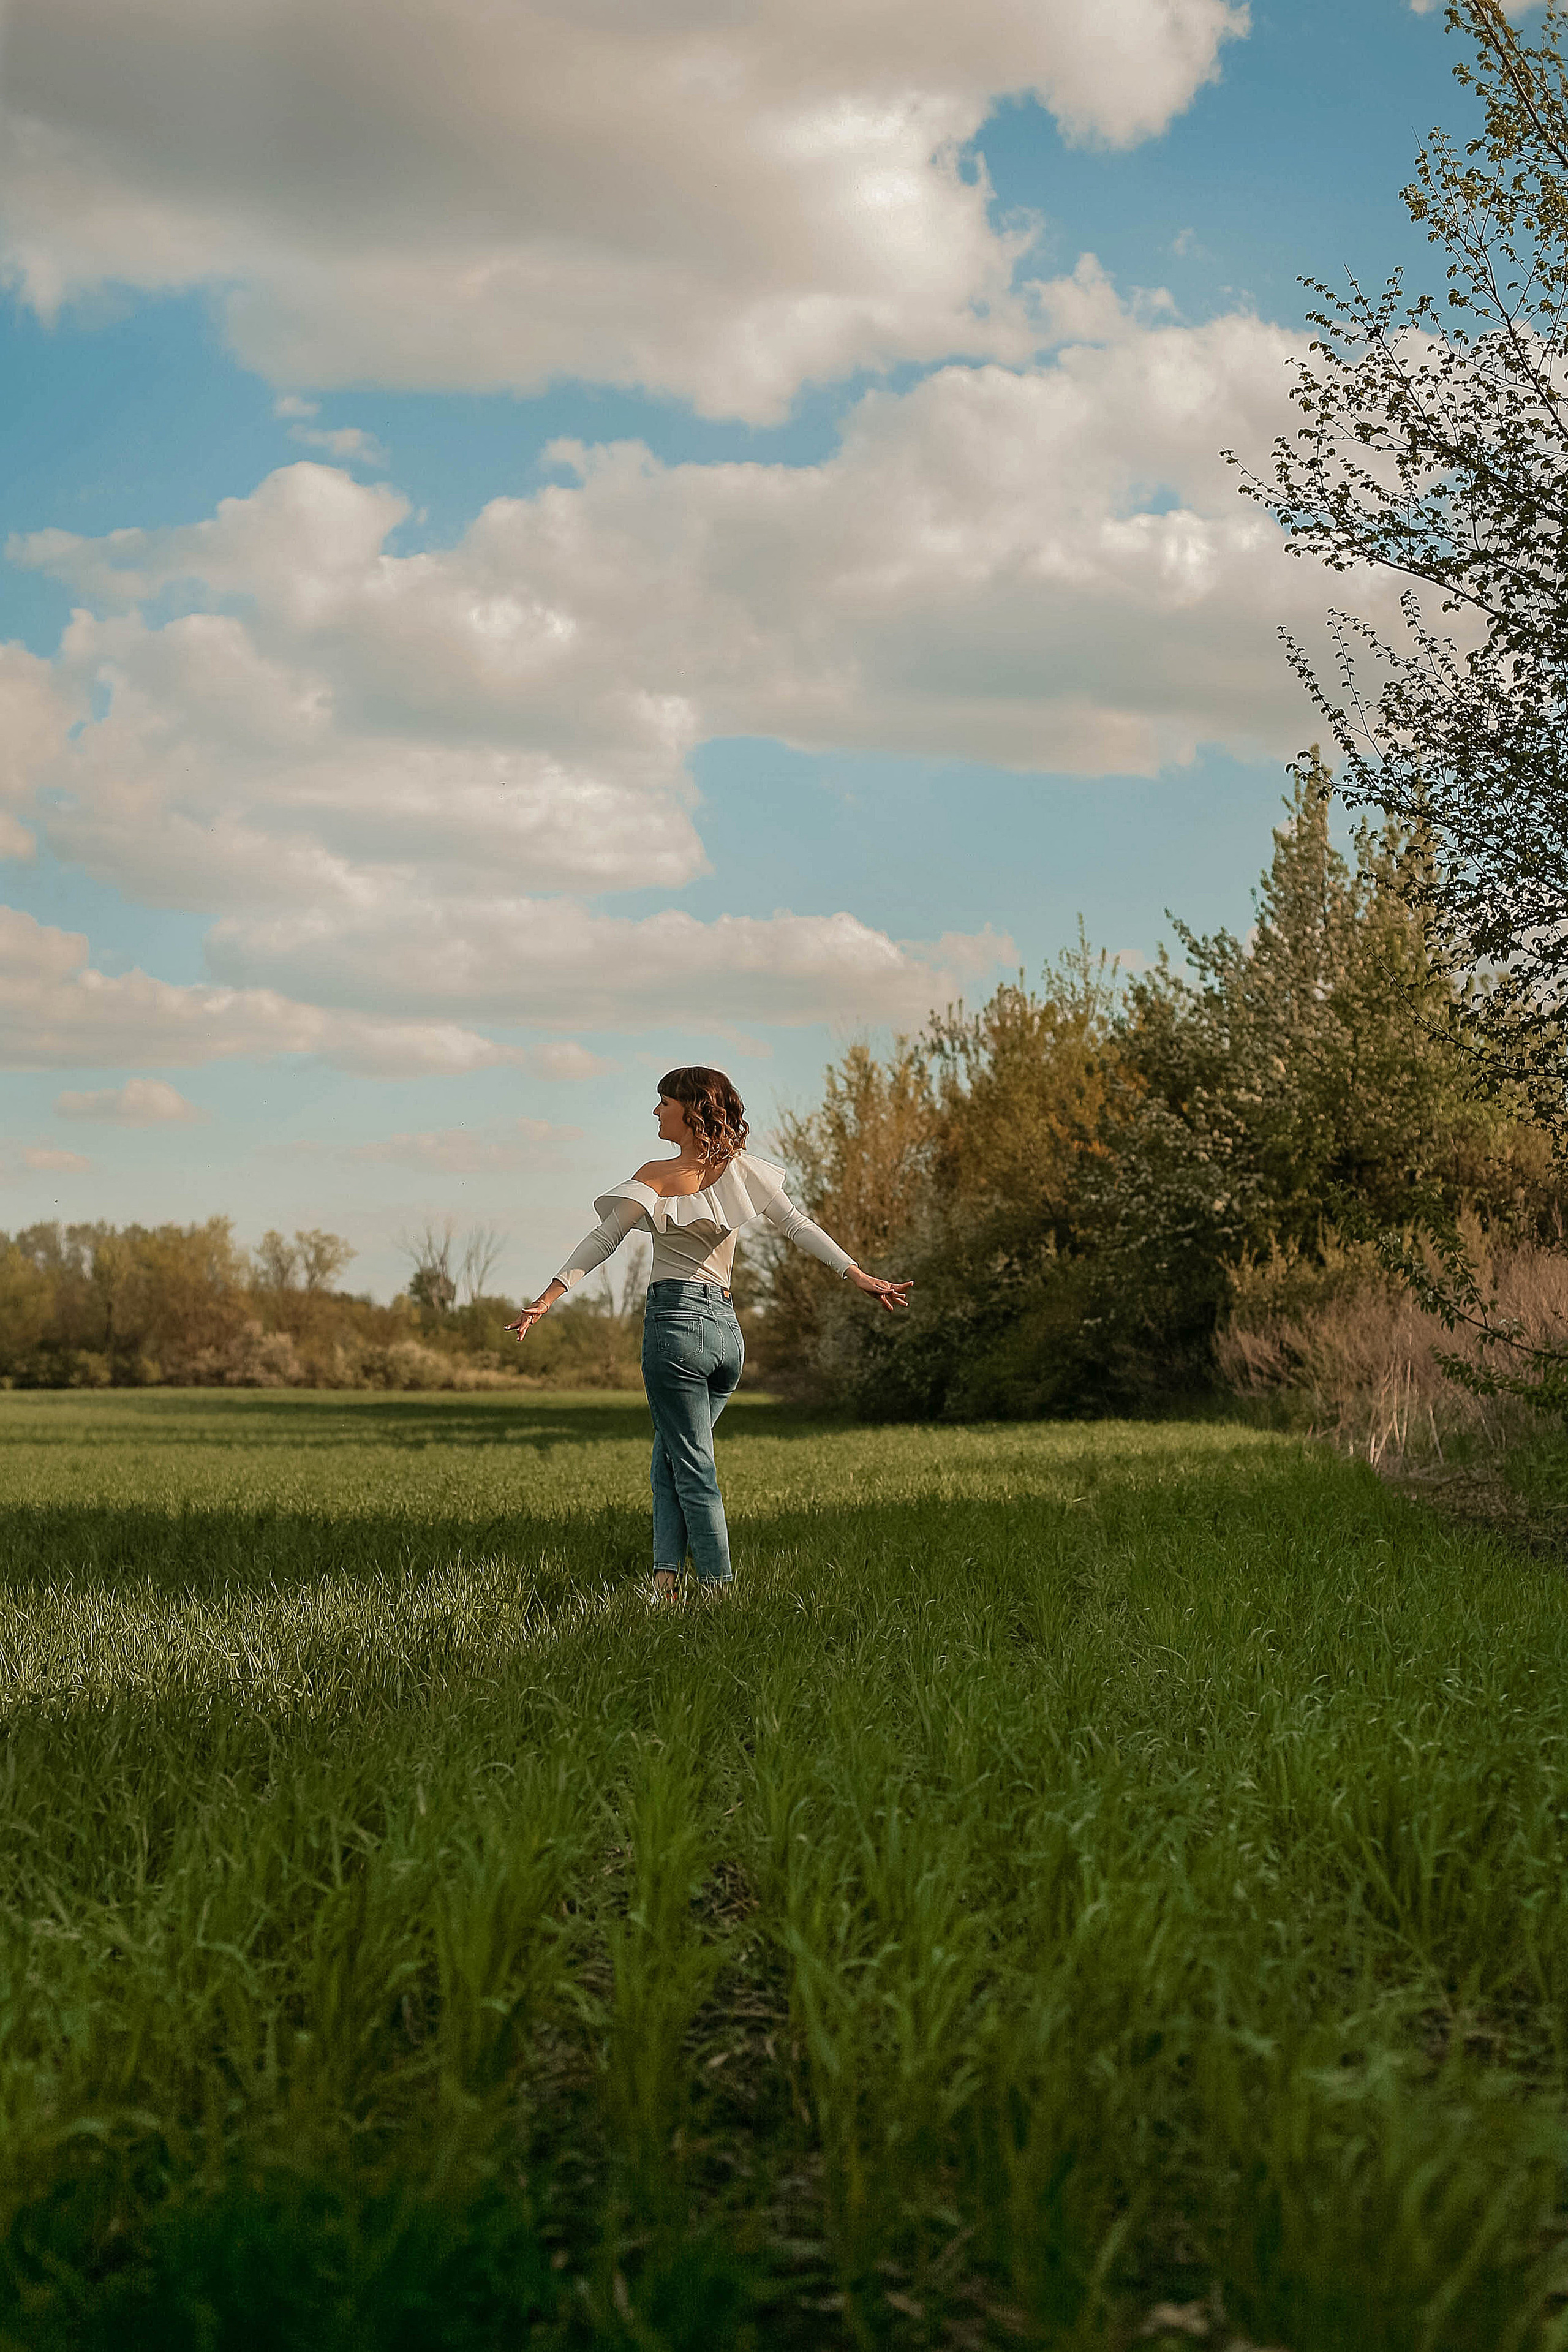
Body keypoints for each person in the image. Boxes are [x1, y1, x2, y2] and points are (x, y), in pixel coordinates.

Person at [507, 1066, 910, 1598]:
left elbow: (603, 1239)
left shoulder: (655, 1175)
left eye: (664, 1103)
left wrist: (548, 1297)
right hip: (726, 1337)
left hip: (676, 1328)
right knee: (672, 1456)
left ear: (691, 1109)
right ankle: (666, 1581)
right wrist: (855, 1274)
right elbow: (798, 1226)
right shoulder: (744, 1172)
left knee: (692, 1466)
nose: (656, 1112)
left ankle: (720, 1591)